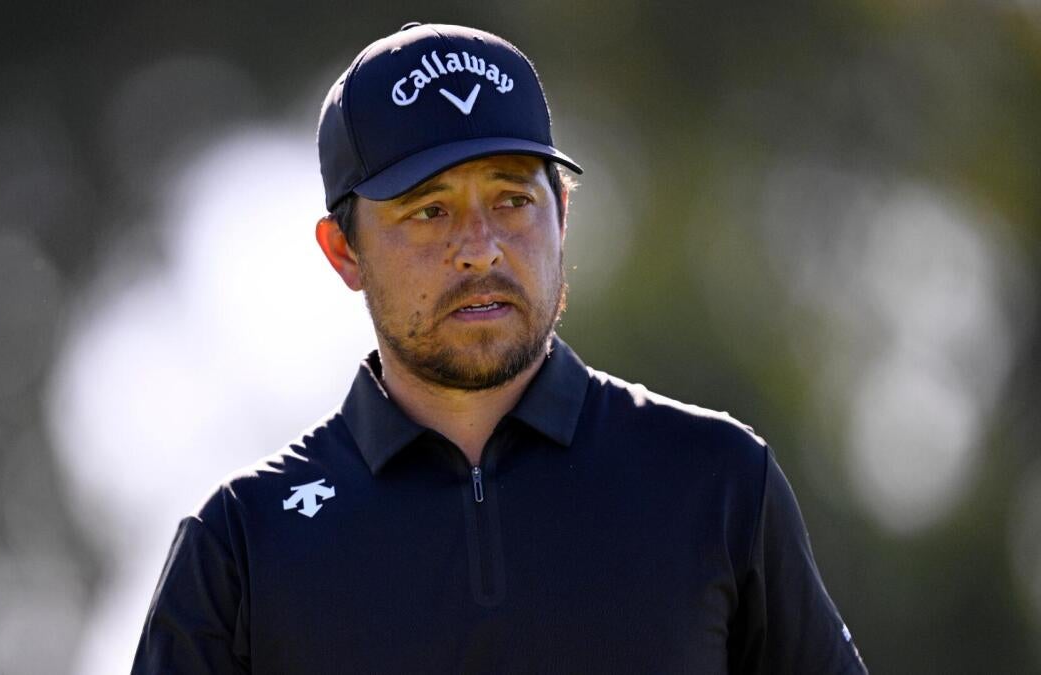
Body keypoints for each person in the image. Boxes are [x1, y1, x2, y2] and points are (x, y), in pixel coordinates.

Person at [132, 22, 867, 674]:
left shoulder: (717, 481)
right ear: (344, 252)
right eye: (430, 211)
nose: (480, 249)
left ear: (562, 215)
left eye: (513, 200)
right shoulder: (245, 542)